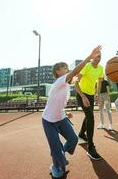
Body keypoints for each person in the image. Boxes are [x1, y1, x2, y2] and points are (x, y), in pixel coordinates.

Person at [42, 45, 102, 178]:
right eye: (65, 67)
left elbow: (58, 101)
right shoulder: (59, 82)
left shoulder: (66, 86)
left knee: (74, 139)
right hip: (48, 121)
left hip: (60, 118)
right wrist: (89, 58)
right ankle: (56, 166)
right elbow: (75, 72)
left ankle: (60, 154)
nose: (67, 69)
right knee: (56, 153)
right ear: (58, 71)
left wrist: (65, 112)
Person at [75, 50, 104, 160]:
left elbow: (99, 81)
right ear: (92, 58)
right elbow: (76, 83)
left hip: (91, 95)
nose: (98, 58)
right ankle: (90, 148)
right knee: (91, 118)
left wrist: (98, 94)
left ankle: (82, 134)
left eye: (100, 56)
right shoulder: (87, 66)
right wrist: (83, 96)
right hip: (81, 94)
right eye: (96, 56)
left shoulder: (101, 68)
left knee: (88, 116)